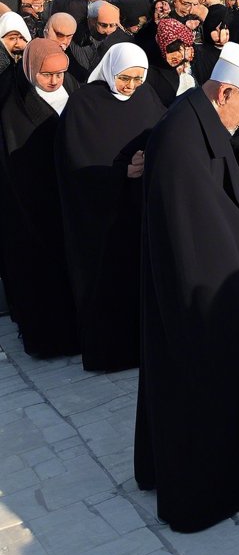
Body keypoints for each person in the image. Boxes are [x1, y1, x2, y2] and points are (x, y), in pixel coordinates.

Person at [134, 41, 239, 534]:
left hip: (207, 282)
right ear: (225, 93)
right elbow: (196, 233)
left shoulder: (200, 121)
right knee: (201, 388)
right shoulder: (180, 138)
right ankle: (208, 493)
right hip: (201, 295)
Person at [55, 42, 165, 371]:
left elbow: (162, 132)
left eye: (137, 79)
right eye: (124, 78)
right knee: (108, 286)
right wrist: (120, 172)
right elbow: (75, 162)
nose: (131, 86)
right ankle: (112, 354)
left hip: (139, 210)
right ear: (110, 70)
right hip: (101, 218)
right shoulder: (83, 104)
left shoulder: (146, 97)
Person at [0, 38, 80, 357]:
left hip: (71, 201)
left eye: (60, 73)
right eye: (47, 74)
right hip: (32, 206)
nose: (54, 80)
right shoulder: (12, 107)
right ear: (32, 70)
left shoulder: (73, 90)